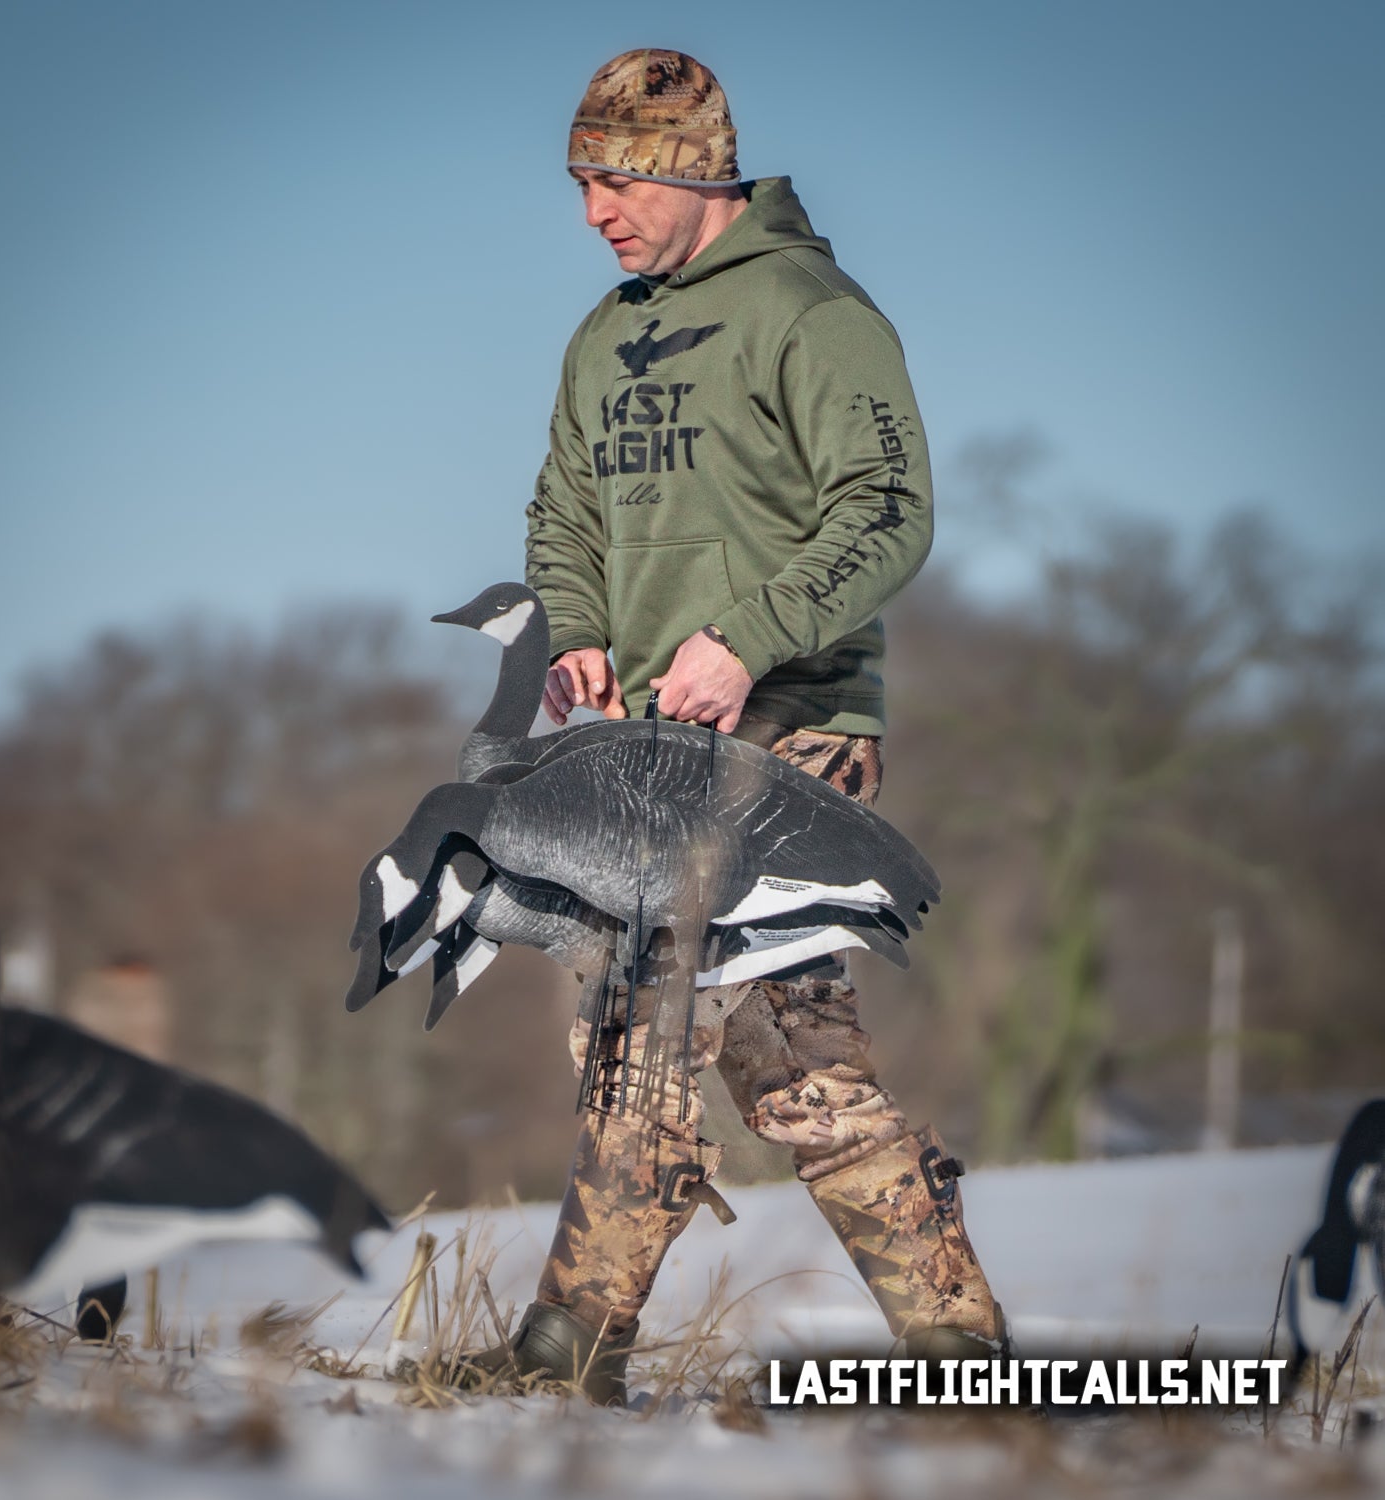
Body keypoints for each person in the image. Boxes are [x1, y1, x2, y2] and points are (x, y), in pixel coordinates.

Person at [504, 48, 1003, 1403]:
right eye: (580, 184)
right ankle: (966, 1357)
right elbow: (564, 518)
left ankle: (569, 1353)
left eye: (612, 179)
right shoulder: (605, 335)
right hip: (649, 749)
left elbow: (889, 512)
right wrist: (584, 630)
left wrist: (747, 641)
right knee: (780, 1062)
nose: (595, 211)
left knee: (658, 1023)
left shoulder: (813, 311)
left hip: (791, 728)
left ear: (680, 168)